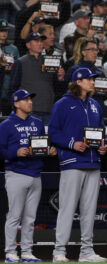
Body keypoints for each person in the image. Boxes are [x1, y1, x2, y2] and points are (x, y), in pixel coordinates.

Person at [49, 68, 107, 262]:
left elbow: (100, 132)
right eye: (90, 79)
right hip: (72, 161)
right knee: (67, 208)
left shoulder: (95, 105)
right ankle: (59, 250)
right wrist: (71, 143)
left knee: (90, 210)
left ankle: (87, 251)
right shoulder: (62, 104)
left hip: (92, 161)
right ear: (78, 82)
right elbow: (53, 133)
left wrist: (102, 146)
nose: (92, 82)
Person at [0, 89, 56, 263]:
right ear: (16, 103)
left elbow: (39, 146)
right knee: (14, 216)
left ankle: (26, 252)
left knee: (30, 218)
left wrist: (49, 150)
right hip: (16, 173)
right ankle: (10, 252)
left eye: (30, 100)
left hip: (35, 173)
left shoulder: (38, 123)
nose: (30, 102)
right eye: (25, 100)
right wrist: (14, 152)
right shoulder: (6, 125)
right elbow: (1, 151)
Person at [9, 32, 65, 124]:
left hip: (48, 110)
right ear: (28, 45)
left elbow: (57, 87)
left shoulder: (51, 61)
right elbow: (13, 88)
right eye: (36, 41)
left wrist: (60, 78)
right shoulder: (20, 62)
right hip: (28, 112)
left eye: (41, 41)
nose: (40, 44)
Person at [0, 18, 19, 116]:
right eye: (1, 30)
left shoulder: (13, 49)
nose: (4, 33)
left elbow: (19, 69)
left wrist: (13, 69)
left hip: (7, 91)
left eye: (6, 30)